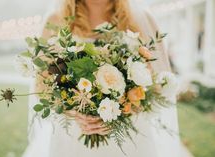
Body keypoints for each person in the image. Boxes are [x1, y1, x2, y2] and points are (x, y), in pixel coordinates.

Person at [23, 0, 193, 157]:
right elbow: (41, 85)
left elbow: (161, 82)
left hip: (130, 135)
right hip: (73, 134)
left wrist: (125, 108)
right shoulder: (56, 20)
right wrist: (73, 112)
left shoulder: (141, 18)